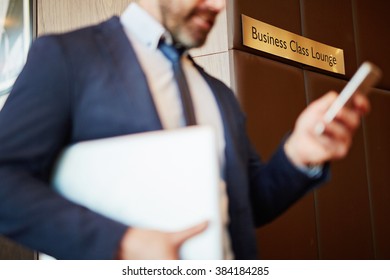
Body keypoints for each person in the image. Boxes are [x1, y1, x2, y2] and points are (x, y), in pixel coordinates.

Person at [0, 0, 369, 260]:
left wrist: (299, 154)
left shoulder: (218, 93)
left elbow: (244, 206)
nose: (219, 5)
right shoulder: (67, 58)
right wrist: (122, 243)